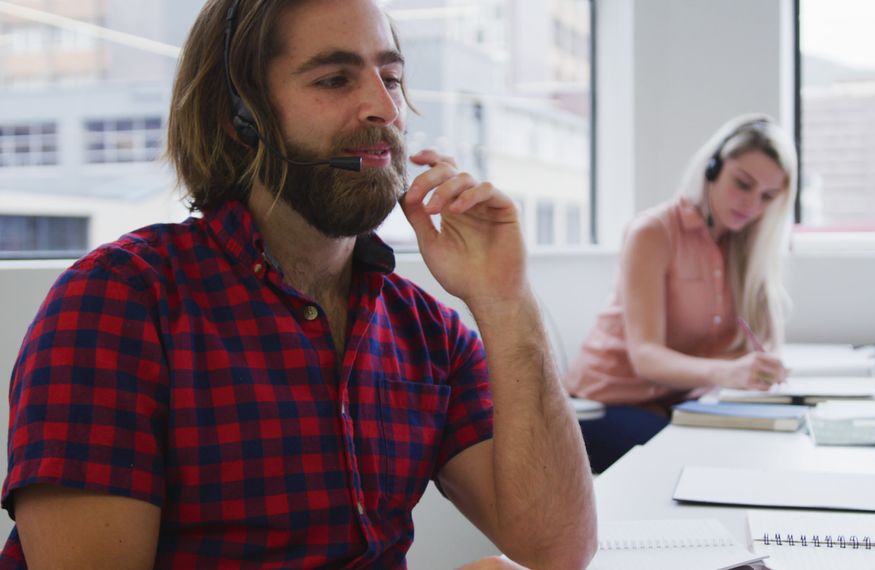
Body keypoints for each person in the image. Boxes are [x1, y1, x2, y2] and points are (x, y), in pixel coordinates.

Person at [0, 0, 596, 568]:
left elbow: (557, 549)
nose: (385, 111)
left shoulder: (424, 331)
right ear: (238, 119)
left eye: (390, 78)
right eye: (334, 79)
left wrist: (507, 302)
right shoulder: (119, 304)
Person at [565, 114, 798, 472]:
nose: (752, 205)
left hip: (675, 403)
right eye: (742, 183)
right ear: (712, 168)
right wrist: (728, 372)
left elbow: (750, 346)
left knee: (760, 444)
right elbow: (646, 356)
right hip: (602, 406)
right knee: (711, 458)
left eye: (767, 196)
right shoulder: (654, 232)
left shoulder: (743, 248)